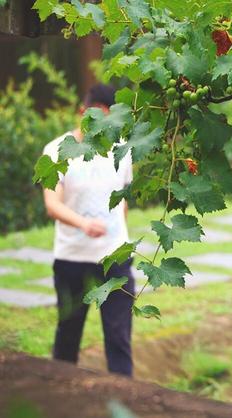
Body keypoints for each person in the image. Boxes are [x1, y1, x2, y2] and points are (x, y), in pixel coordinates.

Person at [42, 84, 135, 376]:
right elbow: (51, 204)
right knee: (68, 336)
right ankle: (60, 397)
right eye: (95, 116)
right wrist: (83, 224)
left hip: (115, 260)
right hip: (73, 259)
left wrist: (120, 231)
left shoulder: (122, 148)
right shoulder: (57, 150)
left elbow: (123, 199)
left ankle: (124, 401)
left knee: (119, 339)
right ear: (82, 111)